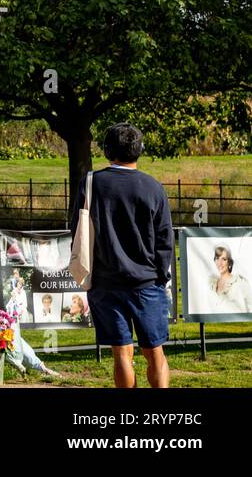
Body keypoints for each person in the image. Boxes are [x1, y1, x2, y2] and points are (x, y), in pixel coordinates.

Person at [70, 123, 172, 388]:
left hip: (106, 282)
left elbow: (77, 230)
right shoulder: (153, 188)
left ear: (107, 150)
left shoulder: (91, 184)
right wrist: (161, 277)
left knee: (121, 354)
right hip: (147, 282)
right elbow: (164, 240)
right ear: (139, 150)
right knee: (155, 352)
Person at [209, 245, 252, 313]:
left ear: (229, 262)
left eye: (224, 259)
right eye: (217, 258)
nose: (220, 263)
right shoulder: (211, 283)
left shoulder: (240, 282)